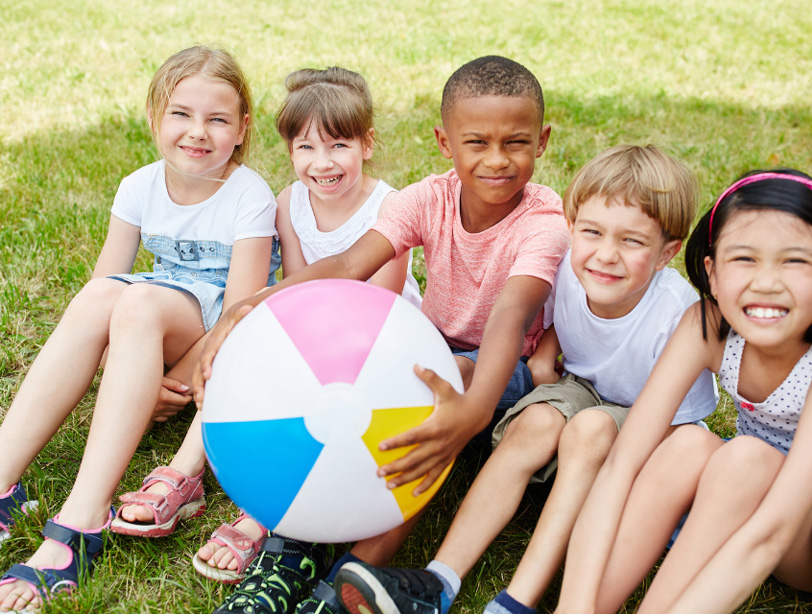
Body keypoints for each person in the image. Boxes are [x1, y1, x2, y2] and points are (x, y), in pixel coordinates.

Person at [197, 55, 570, 614]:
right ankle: (287, 554)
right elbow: (349, 266)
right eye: (477, 143)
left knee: (426, 407)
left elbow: (510, 316)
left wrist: (469, 411)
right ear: (446, 143)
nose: (497, 160)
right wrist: (248, 306)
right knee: (339, 397)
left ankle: (347, 582)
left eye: (515, 142)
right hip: (430, 346)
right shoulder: (426, 198)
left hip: (501, 368)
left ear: (541, 141)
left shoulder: (545, 223)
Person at [332, 145, 719, 614]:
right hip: (583, 389)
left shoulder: (675, 314)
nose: (606, 256)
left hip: (653, 426)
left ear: (667, 253)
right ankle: (438, 583)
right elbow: (556, 320)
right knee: (535, 421)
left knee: (588, 429)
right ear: (571, 228)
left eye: (632, 241)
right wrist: (549, 352)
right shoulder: (567, 272)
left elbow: (683, 426)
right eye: (592, 232)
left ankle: (516, 602)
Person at [552, 170, 812, 614]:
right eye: (744, 259)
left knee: (743, 458)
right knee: (688, 442)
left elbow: (773, 532)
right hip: (744, 489)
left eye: (795, 261)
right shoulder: (706, 324)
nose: (766, 282)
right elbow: (620, 465)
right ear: (711, 272)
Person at [110, 65, 421, 585]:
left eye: (338, 146)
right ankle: (187, 470)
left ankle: (262, 512)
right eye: (305, 148)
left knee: (304, 394)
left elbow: (379, 306)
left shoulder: (391, 208)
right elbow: (296, 290)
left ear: (368, 145)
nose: (322, 164)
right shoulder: (288, 204)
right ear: (288, 150)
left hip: (375, 350)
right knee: (246, 346)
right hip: (314, 331)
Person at [0, 45, 278, 612]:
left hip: (207, 329)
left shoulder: (249, 196)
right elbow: (101, 290)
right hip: (143, 312)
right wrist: (128, 373)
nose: (197, 132)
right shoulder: (138, 186)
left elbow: (241, 314)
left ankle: (80, 520)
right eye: (181, 114)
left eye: (218, 119)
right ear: (155, 117)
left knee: (137, 302)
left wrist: (169, 382)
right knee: (108, 293)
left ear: (242, 129)